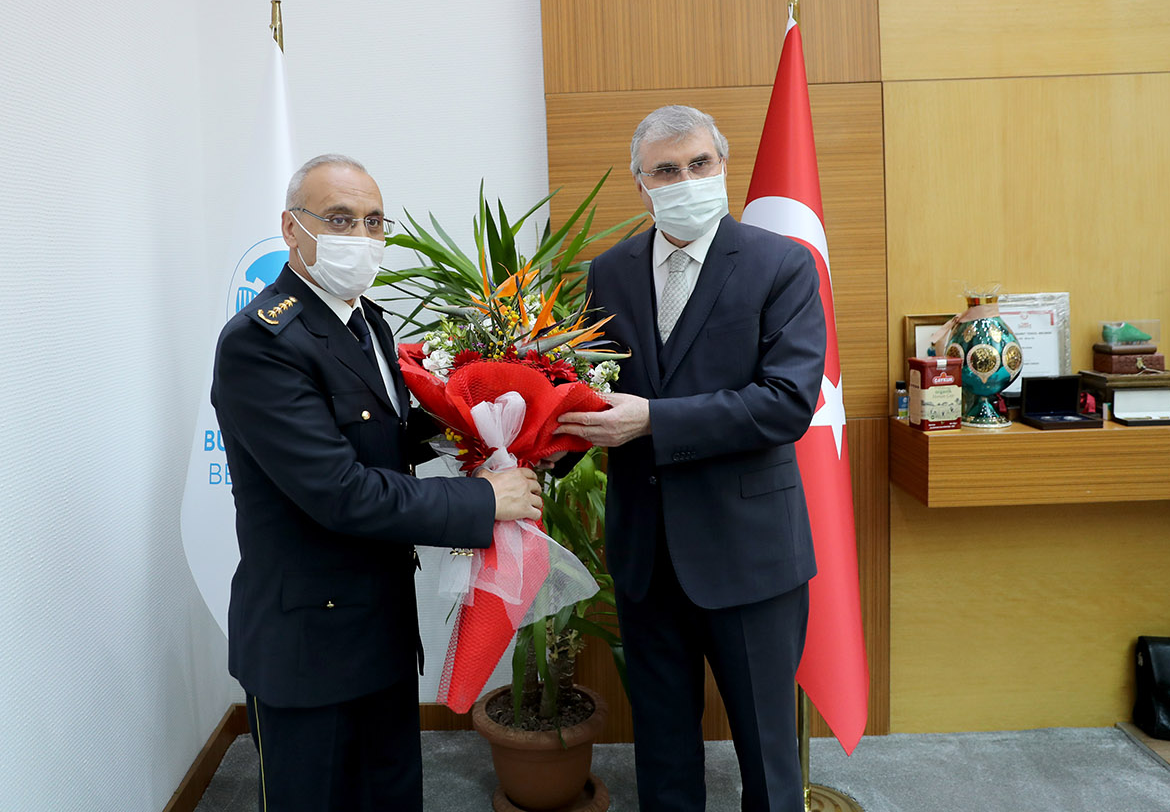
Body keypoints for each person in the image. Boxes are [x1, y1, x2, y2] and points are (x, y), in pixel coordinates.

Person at [211, 154, 543, 812]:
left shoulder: (366, 319)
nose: (359, 238)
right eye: (339, 219)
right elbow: (340, 491)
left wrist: (484, 424)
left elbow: (381, 433)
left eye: (372, 221)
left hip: (381, 631)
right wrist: (484, 499)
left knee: (391, 796)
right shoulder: (262, 343)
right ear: (290, 227)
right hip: (308, 645)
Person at [555, 106, 826, 812]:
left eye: (699, 165)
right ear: (641, 184)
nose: (686, 180)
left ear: (723, 168)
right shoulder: (606, 275)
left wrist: (653, 420)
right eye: (667, 170)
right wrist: (515, 436)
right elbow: (591, 392)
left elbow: (786, 403)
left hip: (750, 559)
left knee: (767, 758)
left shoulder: (782, 264)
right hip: (647, 557)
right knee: (663, 754)